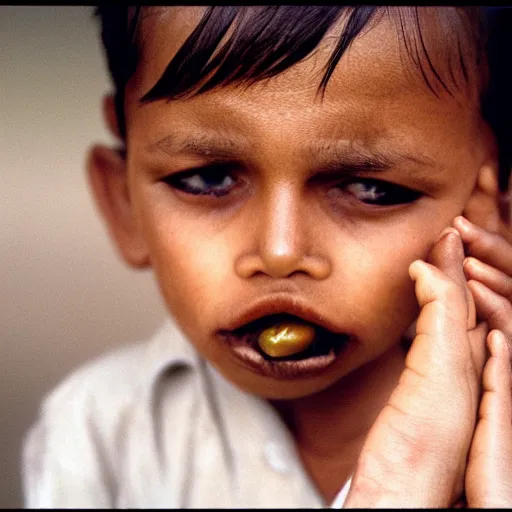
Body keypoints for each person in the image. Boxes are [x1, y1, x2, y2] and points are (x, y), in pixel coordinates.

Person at [21, 6, 512, 508]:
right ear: (123, 201)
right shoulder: (97, 434)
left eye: (369, 188)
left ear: (493, 207)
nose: (280, 252)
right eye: (208, 179)